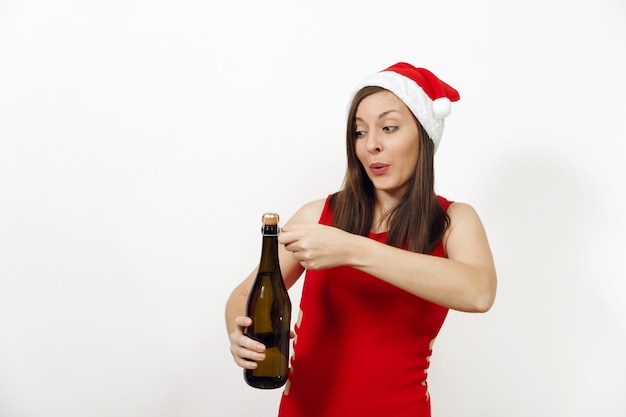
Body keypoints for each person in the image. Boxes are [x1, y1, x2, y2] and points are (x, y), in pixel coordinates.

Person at [225, 62, 497, 417]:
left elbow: (479, 293)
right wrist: (239, 332)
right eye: (358, 132)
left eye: (388, 128)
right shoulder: (317, 215)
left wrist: (353, 249)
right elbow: (247, 293)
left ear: (424, 135)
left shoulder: (453, 221)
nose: (371, 145)